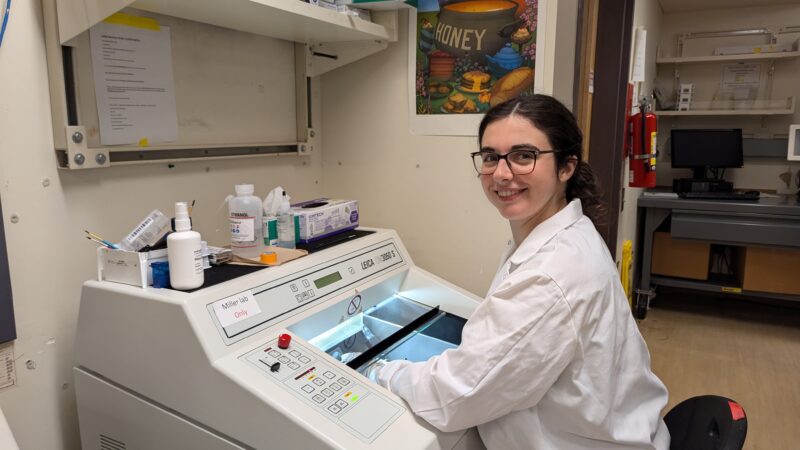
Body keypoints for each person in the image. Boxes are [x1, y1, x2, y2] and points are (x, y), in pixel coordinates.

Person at [369, 94, 670, 449]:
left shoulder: (551, 273)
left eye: (524, 156)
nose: (501, 173)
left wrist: (379, 371)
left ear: (566, 167)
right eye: (490, 157)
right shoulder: (564, 234)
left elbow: (458, 396)